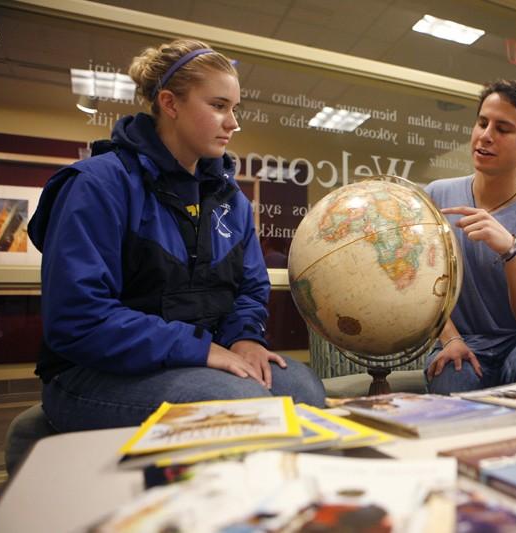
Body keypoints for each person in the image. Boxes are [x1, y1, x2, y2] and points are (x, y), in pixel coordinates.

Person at [28, 39, 325, 432]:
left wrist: (244, 339)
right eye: (218, 106)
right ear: (170, 104)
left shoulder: (229, 199)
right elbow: (78, 318)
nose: (233, 123)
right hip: (90, 374)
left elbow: (250, 289)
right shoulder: (97, 185)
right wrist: (199, 349)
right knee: (244, 405)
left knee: (305, 390)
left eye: (235, 109)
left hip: (193, 359)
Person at [424, 79, 516, 394]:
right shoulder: (435, 196)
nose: (485, 136)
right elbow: (415, 284)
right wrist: (450, 338)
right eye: (482, 123)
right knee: (452, 379)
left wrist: (511, 251)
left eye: (502, 129)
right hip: (460, 340)